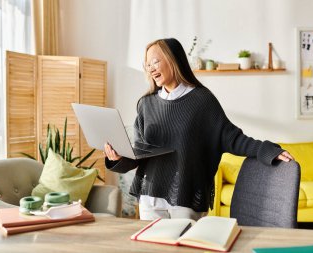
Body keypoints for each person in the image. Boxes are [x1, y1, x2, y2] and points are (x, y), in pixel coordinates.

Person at [104, 38, 294, 221]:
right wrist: (118, 158)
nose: (151, 68)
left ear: (173, 60)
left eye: (155, 62)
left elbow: (232, 138)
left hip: (185, 199)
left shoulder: (202, 101)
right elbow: (140, 152)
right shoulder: (146, 104)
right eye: (147, 64)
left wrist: (268, 151)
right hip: (150, 197)